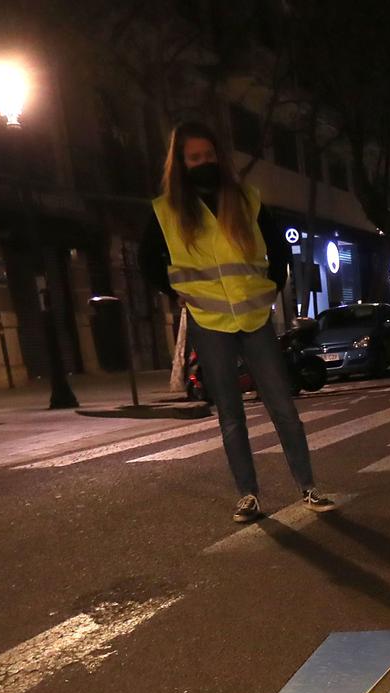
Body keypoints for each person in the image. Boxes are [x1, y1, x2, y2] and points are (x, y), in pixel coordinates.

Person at [142, 120, 336, 523]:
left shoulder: (246, 199)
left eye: (210, 156)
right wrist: (174, 293)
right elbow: (146, 261)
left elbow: (280, 250)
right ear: (180, 163)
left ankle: (308, 486)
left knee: (282, 405)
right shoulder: (167, 210)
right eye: (195, 158)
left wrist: (270, 288)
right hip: (208, 320)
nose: (204, 162)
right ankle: (247, 494)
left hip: (253, 316)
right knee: (230, 413)